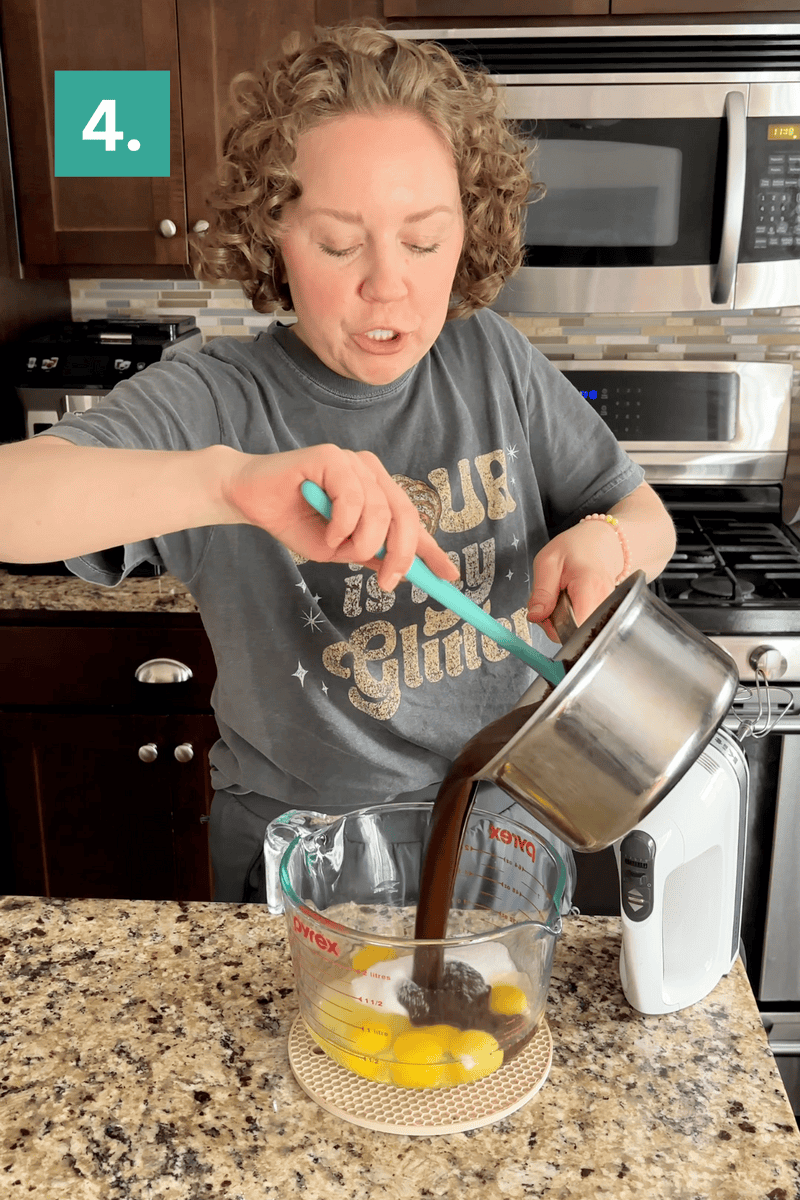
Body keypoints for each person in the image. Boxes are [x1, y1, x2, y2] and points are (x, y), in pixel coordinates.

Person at [0, 19, 676, 905]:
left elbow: (645, 518)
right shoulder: (221, 399)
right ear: (271, 234)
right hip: (303, 853)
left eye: (424, 240)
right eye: (337, 242)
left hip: (507, 829)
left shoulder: (492, 360)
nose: (387, 282)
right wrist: (228, 484)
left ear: (468, 233)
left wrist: (607, 545)